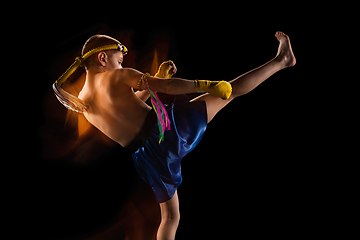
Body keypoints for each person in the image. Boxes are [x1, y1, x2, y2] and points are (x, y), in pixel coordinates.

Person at [53, 31, 295, 240]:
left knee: (170, 217)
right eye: (119, 59)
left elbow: (128, 107)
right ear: (103, 57)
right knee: (229, 92)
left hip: (149, 159)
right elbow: (166, 88)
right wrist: (206, 84)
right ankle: (281, 61)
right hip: (169, 130)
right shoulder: (117, 75)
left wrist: (156, 78)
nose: (121, 64)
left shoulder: (82, 105)